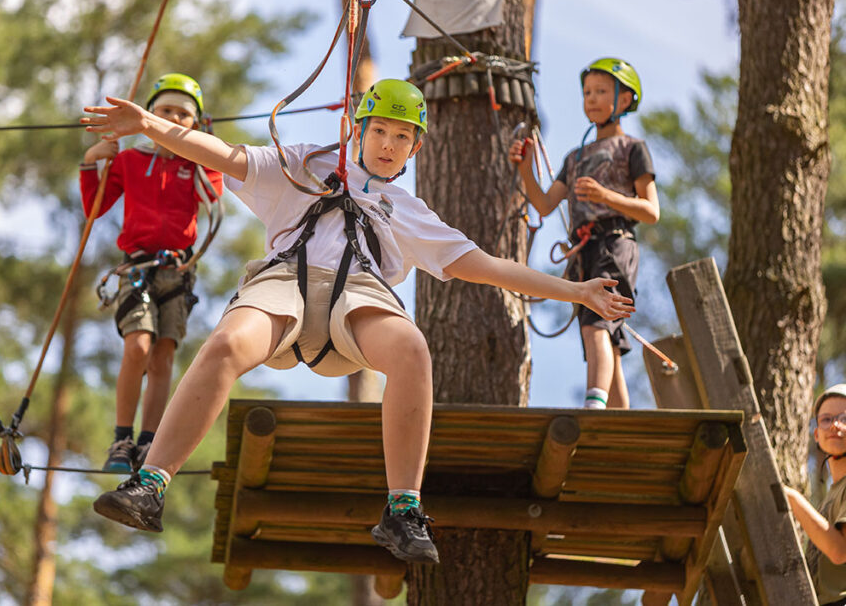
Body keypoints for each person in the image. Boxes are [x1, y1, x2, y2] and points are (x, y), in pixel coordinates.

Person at [81, 78, 634, 563]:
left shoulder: (407, 210)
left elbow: (487, 266)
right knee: (226, 343)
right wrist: (149, 125)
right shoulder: (303, 164)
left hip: (360, 297)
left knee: (411, 349)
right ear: (358, 130)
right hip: (285, 281)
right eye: (380, 132)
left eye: (402, 137)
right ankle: (150, 483)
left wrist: (576, 290)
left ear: (415, 147)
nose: (389, 145)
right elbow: (223, 155)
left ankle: (403, 508)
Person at [80, 73, 223, 473]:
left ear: (197, 123)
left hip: (178, 270)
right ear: (148, 115)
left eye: (183, 114)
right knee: (138, 347)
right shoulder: (130, 160)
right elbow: (94, 208)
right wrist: (92, 161)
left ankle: (147, 442)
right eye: (165, 111)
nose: (174, 119)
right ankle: (121, 438)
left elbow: (214, 195)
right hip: (138, 268)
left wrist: (203, 152)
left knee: (162, 356)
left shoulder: (195, 163)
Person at [508, 57, 659, 410]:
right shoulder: (574, 158)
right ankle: (621, 423)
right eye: (587, 92)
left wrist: (606, 196)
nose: (591, 99)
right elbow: (545, 204)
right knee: (607, 336)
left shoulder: (632, 148)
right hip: (585, 251)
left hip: (614, 243)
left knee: (597, 324)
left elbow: (651, 211)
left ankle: (594, 407)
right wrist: (525, 168)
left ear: (624, 99)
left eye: (601, 91)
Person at [785, 384, 846, 605]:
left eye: (844, 418)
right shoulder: (832, 495)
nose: (835, 425)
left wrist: (793, 499)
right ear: (817, 435)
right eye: (826, 419)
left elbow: (839, 551)